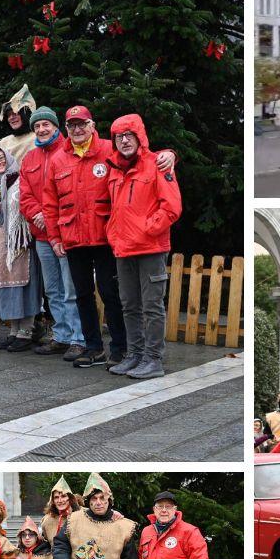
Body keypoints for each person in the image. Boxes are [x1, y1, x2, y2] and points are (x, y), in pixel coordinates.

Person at [41, 107, 176, 368]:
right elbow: (50, 202)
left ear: (92, 126)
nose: (77, 130)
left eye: (82, 124)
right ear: (66, 129)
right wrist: (54, 237)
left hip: (106, 238)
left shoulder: (109, 151)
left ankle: (121, 348)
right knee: (82, 294)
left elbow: (142, 159)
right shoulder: (58, 159)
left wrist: (170, 154)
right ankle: (93, 347)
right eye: (72, 125)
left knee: (111, 293)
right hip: (74, 237)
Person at [104, 114, 181, 380]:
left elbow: (172, 207)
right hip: (123, 248)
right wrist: (114, 233)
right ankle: (134, 355)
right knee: (129, 305)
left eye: (129, 135)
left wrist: (147, 229)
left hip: (150, 248)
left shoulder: (157, 164)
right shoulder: (114, 168)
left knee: (152, 307)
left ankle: (153, 359)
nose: (124, 141)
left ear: (140, 137)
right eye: (119, 137)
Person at [20, 106, 85, 360]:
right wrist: (38, 214)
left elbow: (75, 192)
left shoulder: (68, 152)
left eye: (46, 124)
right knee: (53, 290)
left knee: (71, 289)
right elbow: (25, 195)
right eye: (36, 126)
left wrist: (50, 217)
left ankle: (78, 338)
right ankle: (61, 335)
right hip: (42, 235)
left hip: (65, 233)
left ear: (57, 127)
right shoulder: (30, 158)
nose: (41, 129)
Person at [0, 146, 42, 352]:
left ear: (8, 159)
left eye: (1, 158)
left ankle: (26, 331)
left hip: (19, 241)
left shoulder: (20, 179)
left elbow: (24, 203)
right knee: (6, 286)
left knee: (23, 286)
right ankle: (13, 331)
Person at [0, 84, 37, 163]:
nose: (11, 117)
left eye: (15, 113)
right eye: (9, 115)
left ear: (24, 115)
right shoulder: (4, 143)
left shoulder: (37, 137)